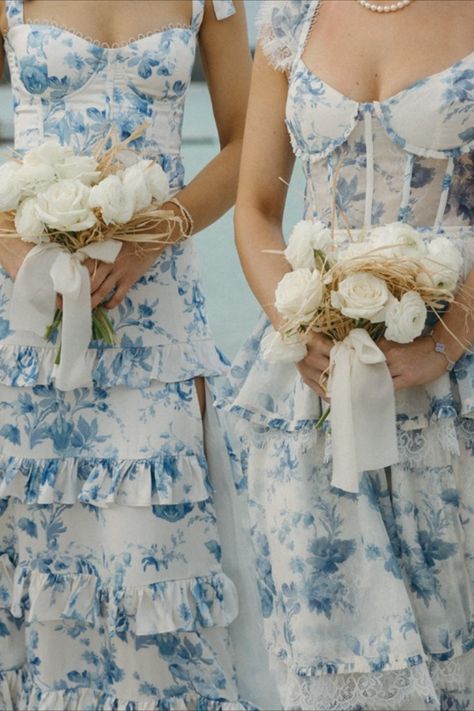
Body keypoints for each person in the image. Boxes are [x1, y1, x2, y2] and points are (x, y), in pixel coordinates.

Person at [0, 0, 263, 708]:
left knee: (161, 564)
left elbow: (246, 144)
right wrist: (13, 249)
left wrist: (151, 239)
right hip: (27, 322)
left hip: (158, 320)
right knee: (41, 568)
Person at [222, 0, 474, 708]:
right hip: (315, 401)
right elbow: (255, 210)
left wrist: (447, 340)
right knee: (334, 672)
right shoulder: (292, 20)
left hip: (455, 394)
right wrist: (296, 323)